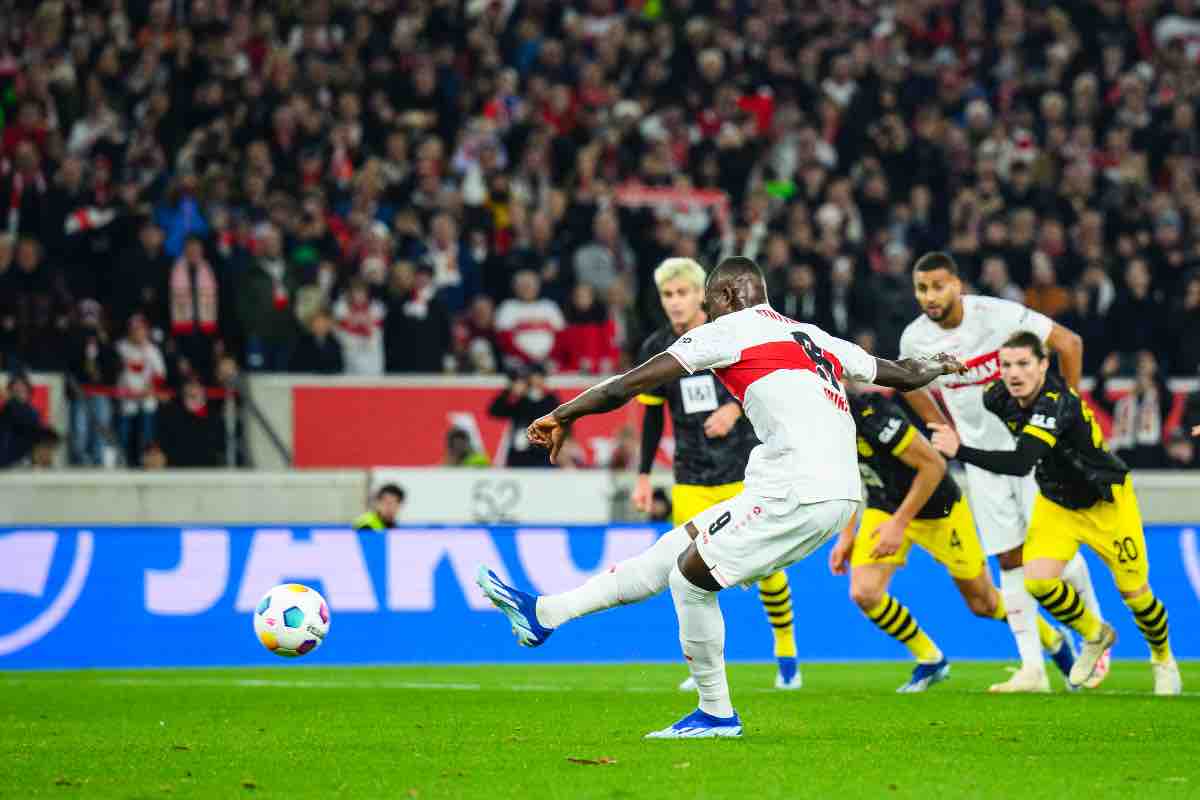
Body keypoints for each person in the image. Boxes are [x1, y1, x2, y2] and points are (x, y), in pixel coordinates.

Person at [477, 256, 964, 738]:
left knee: (688, 579)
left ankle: (715, 714)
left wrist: (563, 414)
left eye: (709, 303)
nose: (706, 313)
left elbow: (628, 384)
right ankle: (546, 614)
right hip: (810, 487)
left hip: (800, 489)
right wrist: (939, 364)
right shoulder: (814, 335)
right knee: (669, 553)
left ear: (727, 296)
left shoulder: (729, 330)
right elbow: (903, 374)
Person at [898, 251, 1107, 693]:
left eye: (938, 286)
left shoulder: (997, 316)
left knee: (1054, 554)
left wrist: (1065, 414)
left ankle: (1095, 633)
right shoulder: (915, 340)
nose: (930, 296)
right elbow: (906, 382)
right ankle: (1032, 669)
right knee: (1009, 559)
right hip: (981, 462)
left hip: (1030, 453)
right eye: (922, 289)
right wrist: (939, 424)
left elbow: (1069, 344)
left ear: (958, 285)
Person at [930, 332, 1181, 695]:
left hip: (1105, 500)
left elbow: (1021, 462)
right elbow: (976, 391)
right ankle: (1095, 634)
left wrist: (960, 451)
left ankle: (1163, 660)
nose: (1014, 373)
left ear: (1043, 365)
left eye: (1024, 364)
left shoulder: (1056, 402)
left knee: (1136, 596)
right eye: (1007, 365)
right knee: (1037, 581)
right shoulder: (997, 397)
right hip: (1057, 503)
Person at [829, 389, 1076, 692]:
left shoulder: (872, 415)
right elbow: (845, 477)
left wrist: (899, 524)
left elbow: (934, 465)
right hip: (885, 507)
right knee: (864, 592)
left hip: (938, 508)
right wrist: (846, 535)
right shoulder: (821, 429)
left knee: (983, 603)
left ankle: (1053, 640)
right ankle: (930, 659)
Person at [632, 257, 802, 691]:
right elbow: (652, 418)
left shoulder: (731, 336)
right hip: (690, 477)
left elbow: (772, 388)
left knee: (767, 568)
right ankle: (706, 668)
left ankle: (786, 651)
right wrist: (644, 476)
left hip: (742, 473)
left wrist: (733, 409)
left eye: (683, 293)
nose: (675, 302)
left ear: (702, 296)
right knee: (688, 574)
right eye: (667, 295)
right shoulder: (658, 347)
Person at [487, 364, 558, 467]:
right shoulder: (519, 400)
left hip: (543, 454)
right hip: (519, 453)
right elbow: (494, 411)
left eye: (539, 377)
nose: (536, 381)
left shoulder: (550, 400)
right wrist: (510, 393)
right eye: (532, 378)